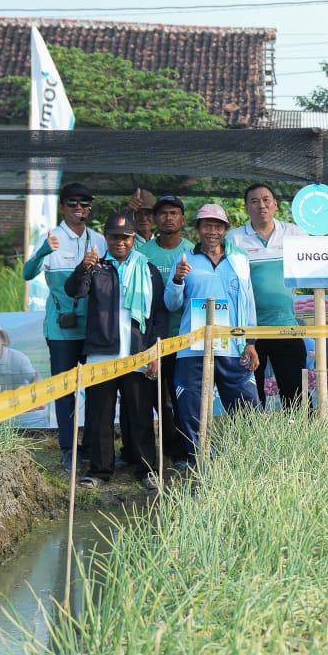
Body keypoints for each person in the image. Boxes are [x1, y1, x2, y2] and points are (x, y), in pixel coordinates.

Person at [68, 210, 167, 490]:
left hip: (138, 354)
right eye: (114, 237)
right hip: (102, 353)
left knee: (140, 416)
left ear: (133, 238)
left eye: (125, 237)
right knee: (99, 416)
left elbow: (159, 314)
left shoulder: (147, 268)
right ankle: (99, 471)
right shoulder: (97, 266)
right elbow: (75, 291)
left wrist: (154, 351)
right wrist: (82, 268)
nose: (119, 242)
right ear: (106, 238)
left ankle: (147, 470)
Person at [165, 203, 262, 467]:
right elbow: (171, 303)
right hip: (193, 347)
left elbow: (249, 303)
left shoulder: (239, 259)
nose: (212, 231)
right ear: (197, 229)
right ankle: (201, 462)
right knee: (191, 409)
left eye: (218, 226)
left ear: (225, 230)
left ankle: (247, 460)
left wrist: (250, 342)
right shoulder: (185, 259)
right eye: (207, 225)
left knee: (247, 407)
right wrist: (177, 280)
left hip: (232, 346)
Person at [22, 183, 106, 471]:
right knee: (64, 390)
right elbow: (27, 273)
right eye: (73, 203)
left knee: (97, 390)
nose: (79, 208)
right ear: (62, 207)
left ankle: (92, 446)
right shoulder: (52, 237)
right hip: (62, 330)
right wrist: (44, 250)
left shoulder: (99, 239)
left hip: (95, 330)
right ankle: (69, 449)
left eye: (84, 203)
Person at [227, 183, 307, 406]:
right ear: (246, 207)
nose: (261, 205)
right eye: (254, 201)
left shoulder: (295, 234)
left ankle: (300, 439)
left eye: (266, 200)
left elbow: (315, 270)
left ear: (276, 205)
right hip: (249, 332)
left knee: (295, 394)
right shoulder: (234, 239)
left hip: (286, 327)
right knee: (251, 395)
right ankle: (252, 440)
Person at [134, 192, 191, 465]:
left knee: (180, 398)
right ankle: (139, 455)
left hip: (183, 339)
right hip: (148, 339)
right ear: (154, 219)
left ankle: (180, 452)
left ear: (183, 218)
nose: (168, 218)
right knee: (145, 399)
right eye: (163, 213)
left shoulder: (193, 251)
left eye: (174, 213)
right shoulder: (142, 253)